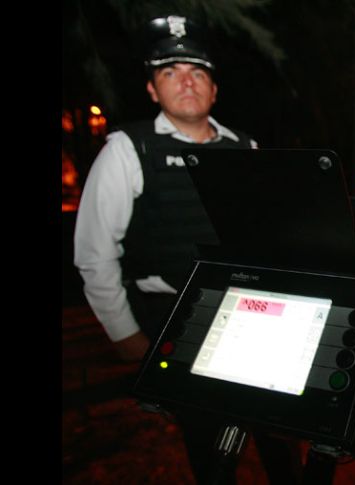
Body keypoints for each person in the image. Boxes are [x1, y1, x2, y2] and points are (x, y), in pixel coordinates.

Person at [74, 15, 301, 484]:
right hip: (174, 317)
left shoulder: (246, 147)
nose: (187, 82)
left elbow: (269, 237)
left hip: (251, 314)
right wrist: (126, 336)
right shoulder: (127, 149)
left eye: (198, 72)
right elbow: (95, 253)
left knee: (281, 437)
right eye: (170, 72)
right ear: (153, 90)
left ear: (214, 89)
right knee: (210, 450)